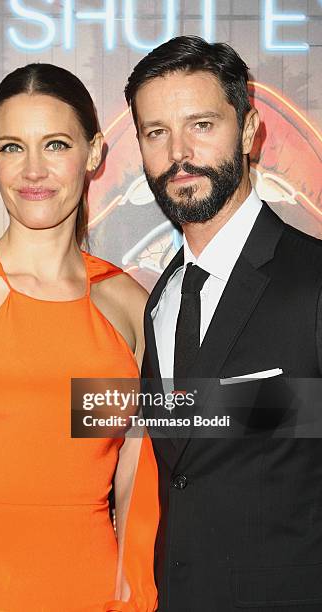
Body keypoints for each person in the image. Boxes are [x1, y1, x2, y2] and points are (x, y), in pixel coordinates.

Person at [0, 63, 159, 612]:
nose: (32, 171)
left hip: (92, 593)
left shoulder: (130, 307)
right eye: (11, 148)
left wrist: (129, 594)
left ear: (94, 153)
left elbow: (136, 481)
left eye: (55, 144)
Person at [124, 35, 322, 611]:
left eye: (201, 125)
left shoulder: (312, 281)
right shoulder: (160, 299)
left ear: (251, 128)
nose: (178, 153)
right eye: (155, 132)